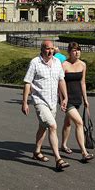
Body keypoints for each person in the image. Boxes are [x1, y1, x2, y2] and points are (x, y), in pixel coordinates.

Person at [22, 40, 70, 171]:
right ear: (42, 49)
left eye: (52, 49)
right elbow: (27, 82)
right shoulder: (35, 62)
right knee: (53, 126)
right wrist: (25, 102)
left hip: (52, 101)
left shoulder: (57, 63)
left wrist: (64, 97)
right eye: (47, 49)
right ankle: (58, 159)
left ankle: (37, 152)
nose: (50, 51)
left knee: (43, 127)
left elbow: (61, 80)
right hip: (39, 101)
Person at [60, 42, 95, 162]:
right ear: (69, 52)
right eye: (75, 50)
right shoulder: (64, 65)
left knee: (68, 123)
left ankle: (63, 145)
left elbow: (82, 82)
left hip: (77, 98)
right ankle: (84, 153)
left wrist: (85, 99)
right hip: (67, 99)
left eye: (79, 50)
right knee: (79, 123)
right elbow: (59, 83)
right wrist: (62, 99)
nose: (77, 52)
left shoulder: (83, 65)